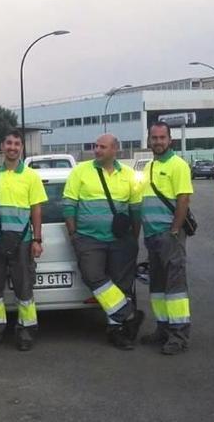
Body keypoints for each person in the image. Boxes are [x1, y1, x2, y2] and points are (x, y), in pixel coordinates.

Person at [63, 133, 144, 350]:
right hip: (88, 239)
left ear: (115, 149)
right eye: (95, 146)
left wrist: (133, 239)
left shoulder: (129, 174)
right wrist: (74, 235)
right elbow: (69, 204)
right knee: (92, 276)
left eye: (102, 147)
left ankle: (117, 331)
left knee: (122, 284)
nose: (97, 150)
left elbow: (136, 210)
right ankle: (130, 314)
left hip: (121, 240)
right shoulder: (80, 171)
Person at [0, 130, 48, 351]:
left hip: (23, 240)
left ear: (21, 147)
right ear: (2, 146)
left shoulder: (31, 176)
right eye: (9, 143)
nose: (12, 147)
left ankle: (26, 330)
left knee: (24, 287)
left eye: (17, 144)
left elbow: (36, 210)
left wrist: (37, 239)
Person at [138, 122, 194, 355]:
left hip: (169, 235)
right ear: (149, 140)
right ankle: (163, 328)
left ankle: (178, 335)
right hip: (152, 236)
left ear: (170, 139)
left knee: (175, 288)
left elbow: (183, 200)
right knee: (158, 287)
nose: (158, 141)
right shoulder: (149, 166)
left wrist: (174, 230)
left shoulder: (177, 165)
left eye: (162, 137)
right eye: (154, 137)